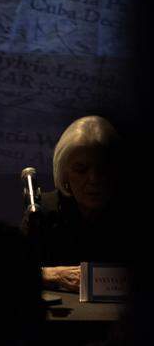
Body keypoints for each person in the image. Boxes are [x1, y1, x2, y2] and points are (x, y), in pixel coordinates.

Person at [24, 115, 126, 292]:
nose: (93, 179)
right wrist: (50, 274)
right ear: (64, 174)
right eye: (81, 170)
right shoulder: (43, 212)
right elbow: (11, 272)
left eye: (102, 169)